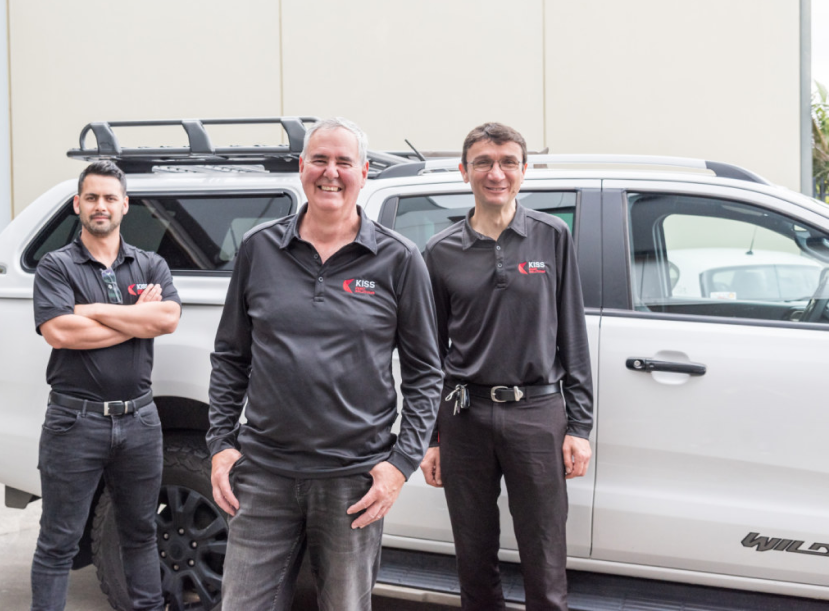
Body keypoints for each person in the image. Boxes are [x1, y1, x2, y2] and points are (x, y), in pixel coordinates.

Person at [207, 117, 443, 611]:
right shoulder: (259, 249)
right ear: (301, 168)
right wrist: (220, 444)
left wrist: (399, 465)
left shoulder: (399, 260)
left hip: (352, 481)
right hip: (264, 473)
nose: (330, 173)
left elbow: (425, 373)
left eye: (343, 162)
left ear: (365, 171)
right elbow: (232, 355)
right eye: (319, 160)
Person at [419, 122, 593, 611]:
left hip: (537, 414)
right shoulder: (439, 252)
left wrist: (579, 425)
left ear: (523, 169)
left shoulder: (552, 237)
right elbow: (430, 355)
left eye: (507, 162)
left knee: (545, 559)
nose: (496, 173)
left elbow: (573, 338)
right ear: (464, 171)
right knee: (474, 560)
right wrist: (433, 437)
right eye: (483, 163)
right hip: (464, 418)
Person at [30, 160, 181, 611]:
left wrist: (89, 310)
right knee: (59, 541)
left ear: (125, 206)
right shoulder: (56, 266)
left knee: (140, 533)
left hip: (140, 421)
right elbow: (60, 333)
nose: (101, 206)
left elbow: (168, 318)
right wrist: (140, 322)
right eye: (92, 197)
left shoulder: (150, 263)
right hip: (74, 423)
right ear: (78, 204)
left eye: (110, 198)